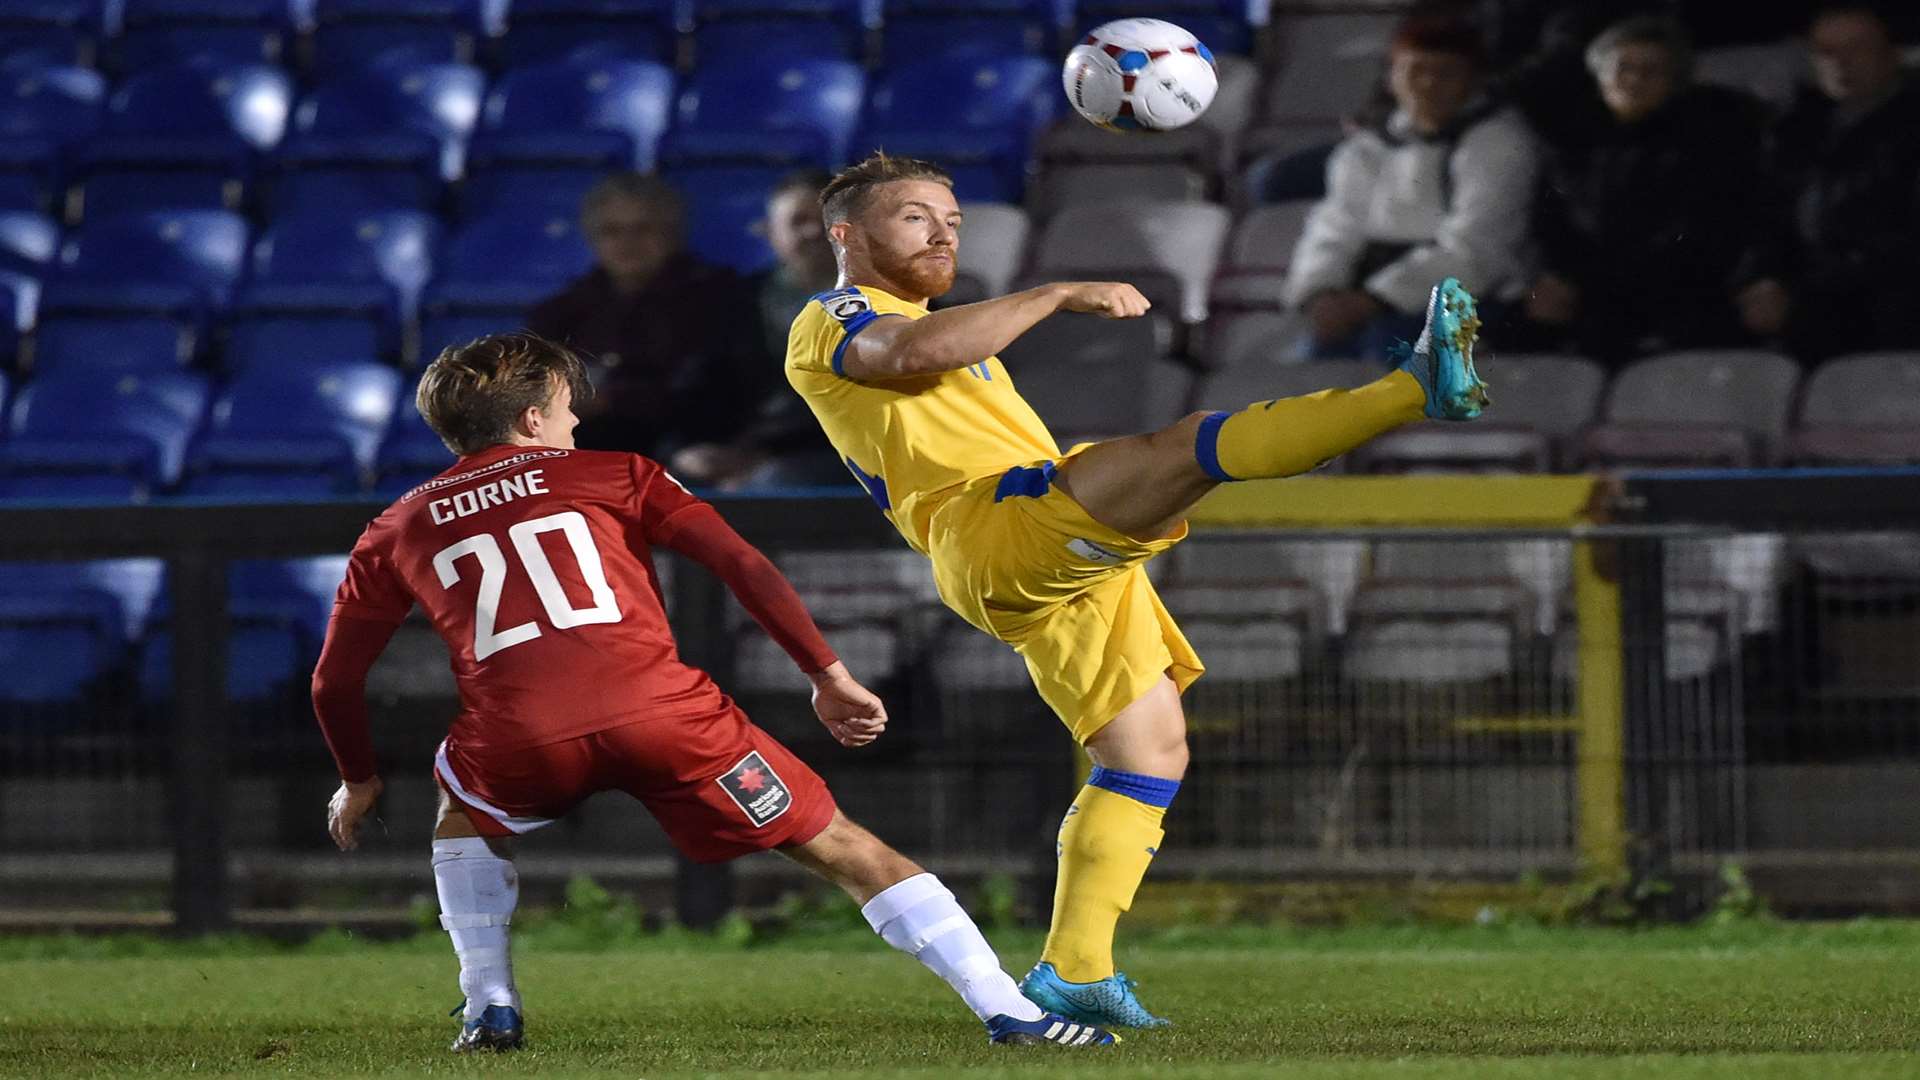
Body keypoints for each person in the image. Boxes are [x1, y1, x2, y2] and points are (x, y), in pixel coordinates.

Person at [785, 152, 1490, 1028]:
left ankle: (1074, 970)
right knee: (1187, 446)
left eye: (952, 219)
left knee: (1147, 753)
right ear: (848, 235)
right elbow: (913, 351)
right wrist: (1052, 293)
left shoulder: (947, 326)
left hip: (1033, 550)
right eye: (916, 217)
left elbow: (938, 347)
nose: (942, 233)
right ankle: (1413, 388)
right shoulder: (836, 316)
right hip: (991, 528)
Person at [310, 333, 1117, 1053]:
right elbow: (743, 566)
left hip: (522, 740)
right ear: (528, 423)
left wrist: (358, 778)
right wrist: (826, 676)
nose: (576, 424)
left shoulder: (396, 525)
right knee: (847, 849)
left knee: (463, 813)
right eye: (564, 410)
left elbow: (335, 678)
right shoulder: (617, 473)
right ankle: (1012, 1013)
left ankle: (490, 1003)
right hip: (669, 720)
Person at [1520, 15, 1785, 365]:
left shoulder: (1710, 141)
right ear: (1600, 77)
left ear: (1675, 80)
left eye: (1651, 71)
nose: (1634, 80)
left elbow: (1706, 229)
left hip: (1678, 294)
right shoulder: (1574, 146)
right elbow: (1551, 224)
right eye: (1623, 68)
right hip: (1592, 294)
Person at [1280, 15, 1536, 361]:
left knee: (1386, 349)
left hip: (1467, 295)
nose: (1428, 84)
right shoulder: (1365, 148)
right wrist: (1322, 292)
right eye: (1415, 71)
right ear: (1392, 78)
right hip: (1367, 293)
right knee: (1313, 364)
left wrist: (1376, 300)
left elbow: (1478, 249)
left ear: (1472, 81)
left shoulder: (1498, 143)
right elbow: (1335, 227)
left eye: (1446, 73)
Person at [526, 173, 768, 458]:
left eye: (643, 229)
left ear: (672, 233)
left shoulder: (721, 298)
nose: (628, 243)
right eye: (612, 231)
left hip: (687, 445)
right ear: (592, 238)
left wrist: (612, 399)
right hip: (585, 447)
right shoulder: (559, 312)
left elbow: (717, 392)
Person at [1757, 3, 1920, 359]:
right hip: (1811, 308)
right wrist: (1764, 277)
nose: (1840, 62)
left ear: (1891, 54)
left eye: (1857, 48)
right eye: (1826, 51)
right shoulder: (1795, 131)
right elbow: (1768, 216)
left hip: (1890, 313)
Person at [672, 170, 849, 489]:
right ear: (770, 232)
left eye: (825, 221)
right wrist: (689, 448)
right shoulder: (732, 301)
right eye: (798, 220)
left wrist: (763, 454)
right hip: (743, 447)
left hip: (840, 454)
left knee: (776, 480)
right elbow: (702, 385)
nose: (812, 232)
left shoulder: (891, 301)